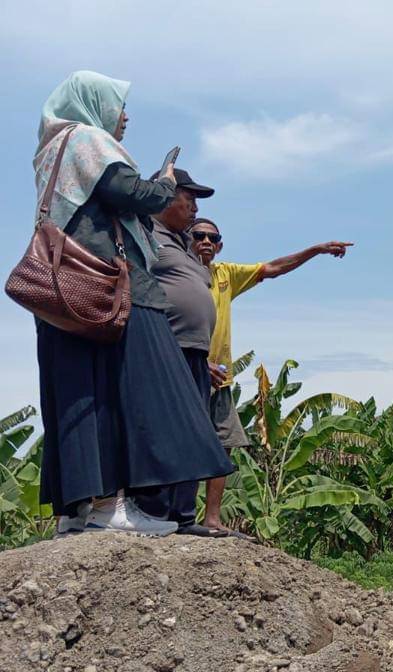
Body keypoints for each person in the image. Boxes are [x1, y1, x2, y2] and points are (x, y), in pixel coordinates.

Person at [31, 71, 233, 537]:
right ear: (93, 104)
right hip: (105, 286)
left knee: (82, 396)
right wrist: (162, 181)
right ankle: (110, 508)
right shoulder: (87, 141)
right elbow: (134, 194)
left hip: (66, 293)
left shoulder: (51, 152)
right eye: (118, 106)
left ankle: (79, 511)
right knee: (136, 395)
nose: (125, 117)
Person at [189, 217, 351, 532]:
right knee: (182, 443)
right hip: (186, 373)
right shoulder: (176, 274)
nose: (206, 242)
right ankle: (175, 515)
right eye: (199, 235)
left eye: (213, 237)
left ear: (220, 245)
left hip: (221, 379)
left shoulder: (226, 275)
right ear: (187, 239)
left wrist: (316, 250)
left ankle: (211, 518)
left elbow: (273, 268)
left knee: (224, 444)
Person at [144, 168, 227, 536]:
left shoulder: (181, 244)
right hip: (166, 347)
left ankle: (181, 516)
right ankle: (157, 512)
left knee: (192, 432)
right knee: (166, 430)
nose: (193, 208)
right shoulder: (145, 233)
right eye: (187, 198)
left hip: (195, 353)